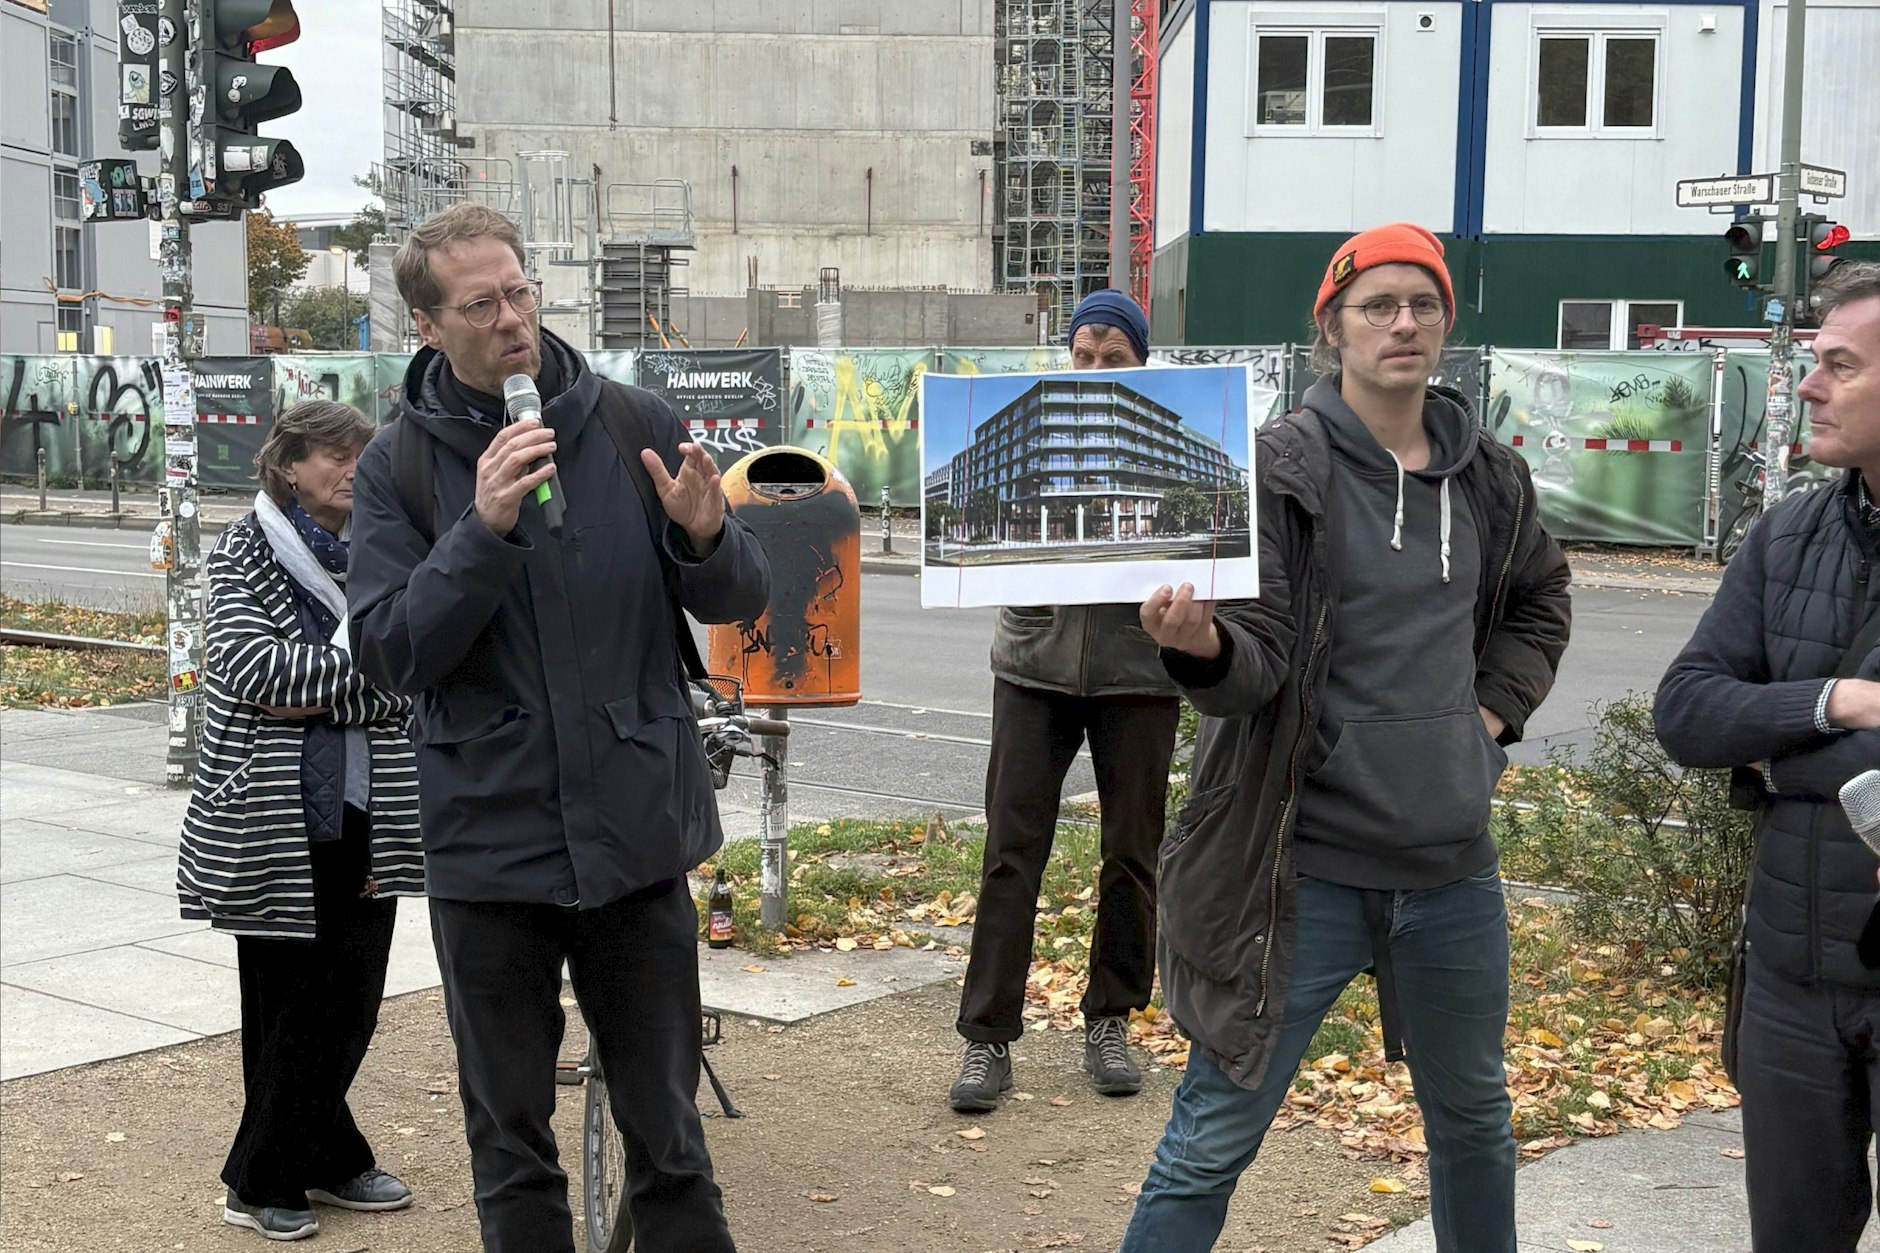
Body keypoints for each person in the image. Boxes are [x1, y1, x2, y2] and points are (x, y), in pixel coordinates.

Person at [1121, 224, 1573, 1251]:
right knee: (1209, 1137)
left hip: (1451, 873)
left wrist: (1485, 722)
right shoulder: (1277, 469)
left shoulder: (1491, 477)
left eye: (1421, 302)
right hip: (1296, 873)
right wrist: (1197, 648)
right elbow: (1255, 665)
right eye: (1377, 304)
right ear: (1331, 325)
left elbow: (1539, 598)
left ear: (1445, 320)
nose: (1401, 322)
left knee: (1473, 1126)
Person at [347, 202, 768, 1253]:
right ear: (425, 322)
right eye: (480, 302)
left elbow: (732, 603)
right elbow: (391, 651)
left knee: (669, 1137)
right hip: (490, 855)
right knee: (510, 1139)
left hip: (633, 837)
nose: (512, 319)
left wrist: (710, 537)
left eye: (520, 290)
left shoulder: (632, 422)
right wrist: (480, 531)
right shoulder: (396, 467)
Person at [1654, 261, 1880, 1252]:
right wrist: (1836, 702)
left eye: (1838, 365)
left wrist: (1781, 762)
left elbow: (1741, 736)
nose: (1807, 384)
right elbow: (1687, 713)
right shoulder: (1787, 534)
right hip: (1790, 980)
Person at [178, 400, 425, 1242]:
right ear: (288, 465)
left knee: (352, 997)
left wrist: (324, 697)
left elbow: (418, 661)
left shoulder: (384, 545)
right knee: (286, 1001)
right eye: (332, 455)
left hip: (369, 805)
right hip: (276, 815)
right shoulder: (245, 548)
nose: (351, 469)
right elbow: (252, 667)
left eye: (362, 454)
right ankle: (260, 1179)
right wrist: (369, 683)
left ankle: (324, 1150)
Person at [949, 289, 1184, 1113]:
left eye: (1111, 358)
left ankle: (1110, 1018)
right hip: (1032, 665)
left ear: (1140, 366)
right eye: (1081, 356)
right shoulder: (1036, 427)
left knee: (1132, 852)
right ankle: (986, 1038)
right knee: (1011, 850)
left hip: (1141, 674)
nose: (1092, 370)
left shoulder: (1164, 443)